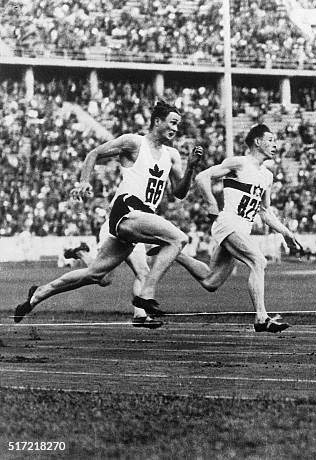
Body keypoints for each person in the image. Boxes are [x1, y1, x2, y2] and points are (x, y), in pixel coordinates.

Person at [14, 101, 202, 326]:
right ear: (157, 121)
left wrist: (191, 167)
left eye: (178, 125)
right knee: (178, 239)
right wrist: (83, 182)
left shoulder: (172, 155)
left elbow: (179, 193)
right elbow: (94, 153)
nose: (175, 129)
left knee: (95, 275)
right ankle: (145, 296)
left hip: (141, 221)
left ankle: (37, 295)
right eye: (172, 123)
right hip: (127, 211)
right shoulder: (134, 143)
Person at [148, 124, 303, 332]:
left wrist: (286, 232)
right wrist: (212, 203)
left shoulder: (267, 176)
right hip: (228, 223)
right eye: (271, 140)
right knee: (258, 261)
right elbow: (202, 177)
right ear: (257, 142)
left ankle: (174, 251)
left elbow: (264, 211)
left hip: (242, 229)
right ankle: (261, 318)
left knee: (211, 281)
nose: (275, 145)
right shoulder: (239, 163)